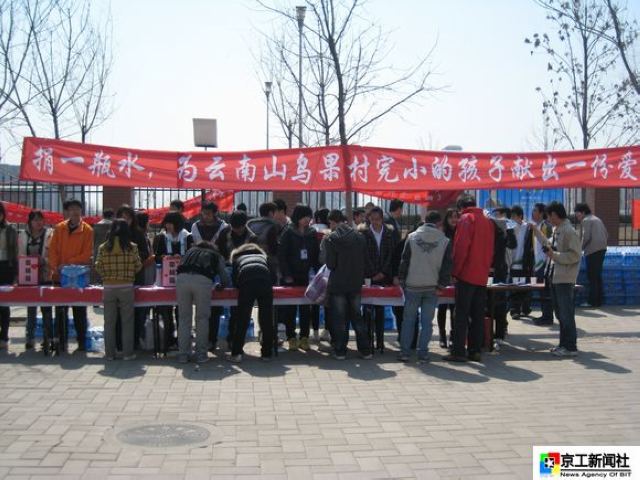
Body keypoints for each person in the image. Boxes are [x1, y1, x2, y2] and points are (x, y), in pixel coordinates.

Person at [444, 194, 494, 363]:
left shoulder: (466, 219)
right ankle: (475, 350)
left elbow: (461, 247)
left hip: (466, 274)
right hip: (482, 274)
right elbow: (490, 249)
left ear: (461, 208)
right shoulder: (487, 221)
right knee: (478, 315)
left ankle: (458, 351)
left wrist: (455, 272)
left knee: (461, 315)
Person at [397, 211, 452, 362]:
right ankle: (423, 354)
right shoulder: (444, 240)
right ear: (439, 223)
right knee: (427, 323)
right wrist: (441, 285)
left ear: (424, 220)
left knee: (408, 321)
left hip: (412, 285)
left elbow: (404, 261)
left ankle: (405, 352)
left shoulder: (412, 237)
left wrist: (402, 280)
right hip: (432, 286)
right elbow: (447, 266)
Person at [533, 201, 581, 357]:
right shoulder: (558, 229)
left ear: (555, 215)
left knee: (566, 314)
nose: (548, 219)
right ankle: (563, 345)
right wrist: (536, 231)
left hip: (565, 279)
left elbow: (575, 255)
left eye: (549, 216)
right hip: (555, 277)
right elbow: (549, 245)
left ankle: (571, 347)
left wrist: (554, 255)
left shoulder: (569, 231)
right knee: (560, 314)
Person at [324, 209, 371, 360]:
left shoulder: (331, 239)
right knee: (357, 317)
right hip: (356, 283)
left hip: (338, 283)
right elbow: (366, 260)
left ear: (333, 222)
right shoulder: (359, 237)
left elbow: (330, 264)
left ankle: (340, 351)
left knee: (340, 319)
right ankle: (365, 350)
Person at [48, 199, 93, 353]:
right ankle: (62, 341)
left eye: (77, 209)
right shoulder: (59, 228)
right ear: (67, 212)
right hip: (59, 277)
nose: (74, 212)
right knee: (60, 311)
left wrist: (67, 264)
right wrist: (56, 267)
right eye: (71, 209)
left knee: (79, 310)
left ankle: (81, 342)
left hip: (78, 277)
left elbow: (87, 254)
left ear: (81, 211)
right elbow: (52, 250)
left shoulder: (88, 230)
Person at [95, 219, 142, 361]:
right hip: (126, 287)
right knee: (127, 322)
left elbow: (97, 265)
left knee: (109, 322)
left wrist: (106, 276)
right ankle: (127, 353)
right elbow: (138, 265)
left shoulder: (103, 247)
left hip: (108, 287)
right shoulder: (132, 247)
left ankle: (110, 354)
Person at [175, 241, 230, 364]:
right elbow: (225, 277)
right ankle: (201, 355)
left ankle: (183, 355)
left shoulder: (189, 252)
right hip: (202, 280)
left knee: (184, 318)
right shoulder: (215, 255)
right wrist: (221, 286)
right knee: (202, 318)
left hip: (181, 279)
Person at [278, 204, 320, 351]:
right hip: (291, 276)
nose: (307, 219)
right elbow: (282, 256)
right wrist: (286, 274)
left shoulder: (312, 233)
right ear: (297, 217)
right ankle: (291, 337)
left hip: (307, 275)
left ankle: (304, 337)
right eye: (304, 217)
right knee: (290, 308)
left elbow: (315, 254)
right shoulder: (288, 232)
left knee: (305, 308)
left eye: (309, 216)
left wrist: (316, 272)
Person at [153, 211, 193, 349]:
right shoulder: (162, 238)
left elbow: (192, 255)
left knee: (182, 311)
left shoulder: (188, 237)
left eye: (170, 224)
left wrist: (181, 257)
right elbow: (157, 256)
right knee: (166, 310)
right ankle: (169, 340)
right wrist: (165, 257)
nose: (168, 226)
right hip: (166, 279)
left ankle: (182, 340)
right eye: (166, 224)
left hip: (184, 278)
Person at [117, 205, 154, 349]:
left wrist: (130, 259)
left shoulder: (138, 234)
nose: (125, 221)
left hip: (136, 277)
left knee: (137, 312)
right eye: (122, 217)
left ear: (133, 219)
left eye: (128, 218)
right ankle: (119, 343)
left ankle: (135, 341)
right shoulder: (113, 233)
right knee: (119, 313)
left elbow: (145, 254)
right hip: (117, 278)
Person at [360, 206, 396, 353]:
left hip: (384, 276)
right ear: (369, 219)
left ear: (382, 219)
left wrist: (383, 272)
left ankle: (380, 341)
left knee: (380, 309)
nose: (375, 222)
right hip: (369, 276)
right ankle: (368, 340)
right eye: (372, 219)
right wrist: (373, 273)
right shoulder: (363, 233)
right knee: (367, 309)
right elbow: (363, 256)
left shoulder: (389, 233)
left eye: (378, 219)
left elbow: (391, 254)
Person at [229, 243, 274, 362]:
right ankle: (267, 354)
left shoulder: (237, 258)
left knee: (242, 319)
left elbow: (234, 279)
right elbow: (273, 275)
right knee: (266, 319)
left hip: (246, 282)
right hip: (265, 282)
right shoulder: (263, 257)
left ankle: (236, 354)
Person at [18, 210, 53, 351]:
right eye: (35, 220)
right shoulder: (23, 235)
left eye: (41, 219)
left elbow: (52, 253)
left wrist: (43, 260)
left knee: (46, 308)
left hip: (45, 274)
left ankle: (48, 337)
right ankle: (30, 337)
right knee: (31, 308)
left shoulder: (49, 234)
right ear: (30, 222)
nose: (38, 222)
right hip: (29, 276)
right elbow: (20, 253)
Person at [490, 207, 517, 346]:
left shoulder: (502, 233)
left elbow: (512, 244)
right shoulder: (486, 232)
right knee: (487, 303)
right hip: (486, 271)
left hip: (500, 271)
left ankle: (500, 332)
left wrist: (509, 229)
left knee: (500, 302)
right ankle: (487, 333)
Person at [574, 203, 608, 308]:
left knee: (592, 277)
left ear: (583, 212)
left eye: (578, 214)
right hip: (602, 249)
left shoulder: (586, 220)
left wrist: (579, 249)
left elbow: (586, 237)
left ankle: (592, 302)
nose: (577, 216)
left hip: (592, 251)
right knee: (597, 276)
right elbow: (606, 234)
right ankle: (599, 301)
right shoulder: (597, 219)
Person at [436, 208, 458, 348]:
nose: (454, 219)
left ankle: (453, 335)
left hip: (457, 274)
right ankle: (442, 335)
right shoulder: (441, 233)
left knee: (455, 308)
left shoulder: (462, 231)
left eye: (456, 216)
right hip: (443, 274)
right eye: (451, 217)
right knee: (442, 306)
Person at [509, 205, 534, 319]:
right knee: (514, 287)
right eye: (511, 216)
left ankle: (525, 308)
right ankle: (514, 310)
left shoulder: (527, 227)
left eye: (514, 216)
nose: (512, 218)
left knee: (524, 286)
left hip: (524, 263)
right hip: (513, 263)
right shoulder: (509, 228)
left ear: (520, 216)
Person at [531, 203, 554, 325]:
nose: (532, 213)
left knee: (545, 291)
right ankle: (545, 314)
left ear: (541, 213)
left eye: (535, 210)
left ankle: (548, 317)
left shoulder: (546, 226)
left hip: (545, 264)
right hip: (538, 264)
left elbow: (548, 244)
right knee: (541, 291)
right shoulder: (537, 226)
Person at [247, 202, 280, 283]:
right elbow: (273, 248)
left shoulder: (250, 224)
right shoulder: (273, 226)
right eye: (275, 213)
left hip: (249, 260)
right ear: (270, 213)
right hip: (268, 263)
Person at [0, 202, 18, 350]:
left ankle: (4, 337)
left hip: (6, 266)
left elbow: (15, 251)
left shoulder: (10, 228)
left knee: (4, 304)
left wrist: (16, 272)